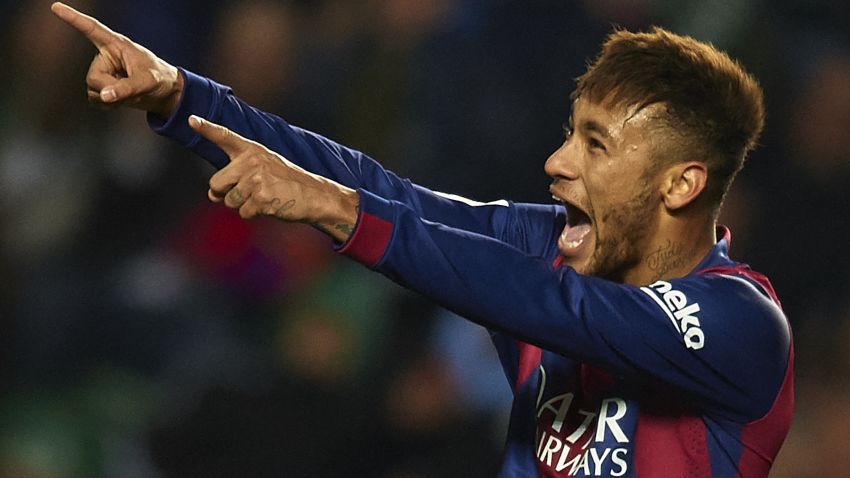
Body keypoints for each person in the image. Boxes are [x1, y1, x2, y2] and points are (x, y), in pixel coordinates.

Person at [51, 2, 793, 477]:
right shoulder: (555, 242)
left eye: (594, 146)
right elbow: (389, 193)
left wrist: (342, 215)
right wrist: (185, 98)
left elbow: (557, 308)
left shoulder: (740, 326)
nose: (556, 164)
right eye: (570, 134)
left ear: (680, 185)